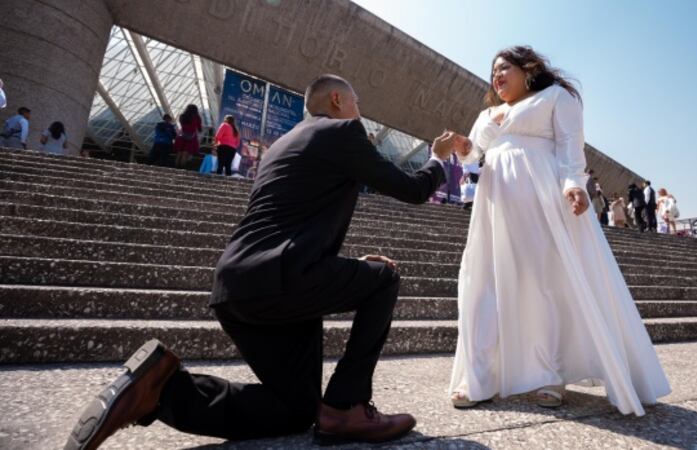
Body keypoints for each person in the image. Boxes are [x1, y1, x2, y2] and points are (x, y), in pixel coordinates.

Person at [65, 74, 456, 449]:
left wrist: (341, 264)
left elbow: (290, 222)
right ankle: (345, 408)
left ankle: (161, 391)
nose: (359, 110)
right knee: (384, 279)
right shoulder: (341, 131)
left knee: (293, 410)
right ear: (337, 100)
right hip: (282, 279)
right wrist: (438, 160)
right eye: (356, 101)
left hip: (239, 288)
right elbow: (413, 189)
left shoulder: (284, 145)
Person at [448, 46, 670, 416]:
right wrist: (464, 147)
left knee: (543, 282)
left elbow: (571, 147)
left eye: (504, 68)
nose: (497, 77)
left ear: (527, 68)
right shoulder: (488, 113)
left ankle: (548, 375)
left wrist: (573, 184)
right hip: (493, 205)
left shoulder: (555, 97)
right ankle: (478, 377)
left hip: (541, 200)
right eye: (493, 72)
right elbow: (475, 154)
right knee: (483, 282)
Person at [174, 104, 202, 168]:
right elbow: (199, 128)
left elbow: (182, 125)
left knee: (179, 154)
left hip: (181, 136)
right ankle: (181, 170)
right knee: (185, 154)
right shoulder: (196, 117)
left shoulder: (182, 116)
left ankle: (175, 169)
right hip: (191, 138)